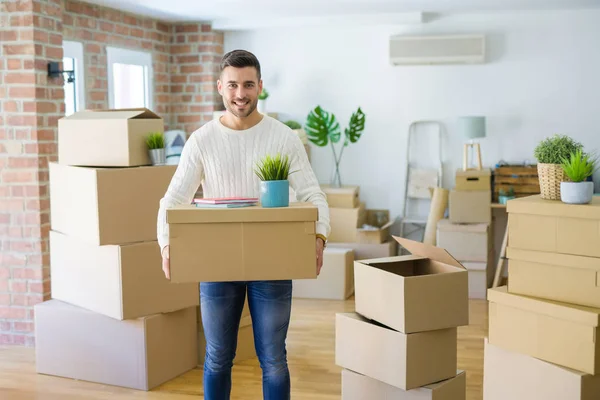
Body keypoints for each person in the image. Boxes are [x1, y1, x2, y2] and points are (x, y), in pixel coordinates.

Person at [156, 49, 331, 400]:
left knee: (274, 360)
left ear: (260, 87)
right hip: (218, 264)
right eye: (233, 85)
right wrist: (165, 244)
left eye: (248, 84)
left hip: (273, 263)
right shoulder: (201, 140)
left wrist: (319, 237)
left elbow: (313, 194)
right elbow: (172, 201)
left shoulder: (283, 137)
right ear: (220, 87)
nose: (240, 94)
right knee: (218, 358)